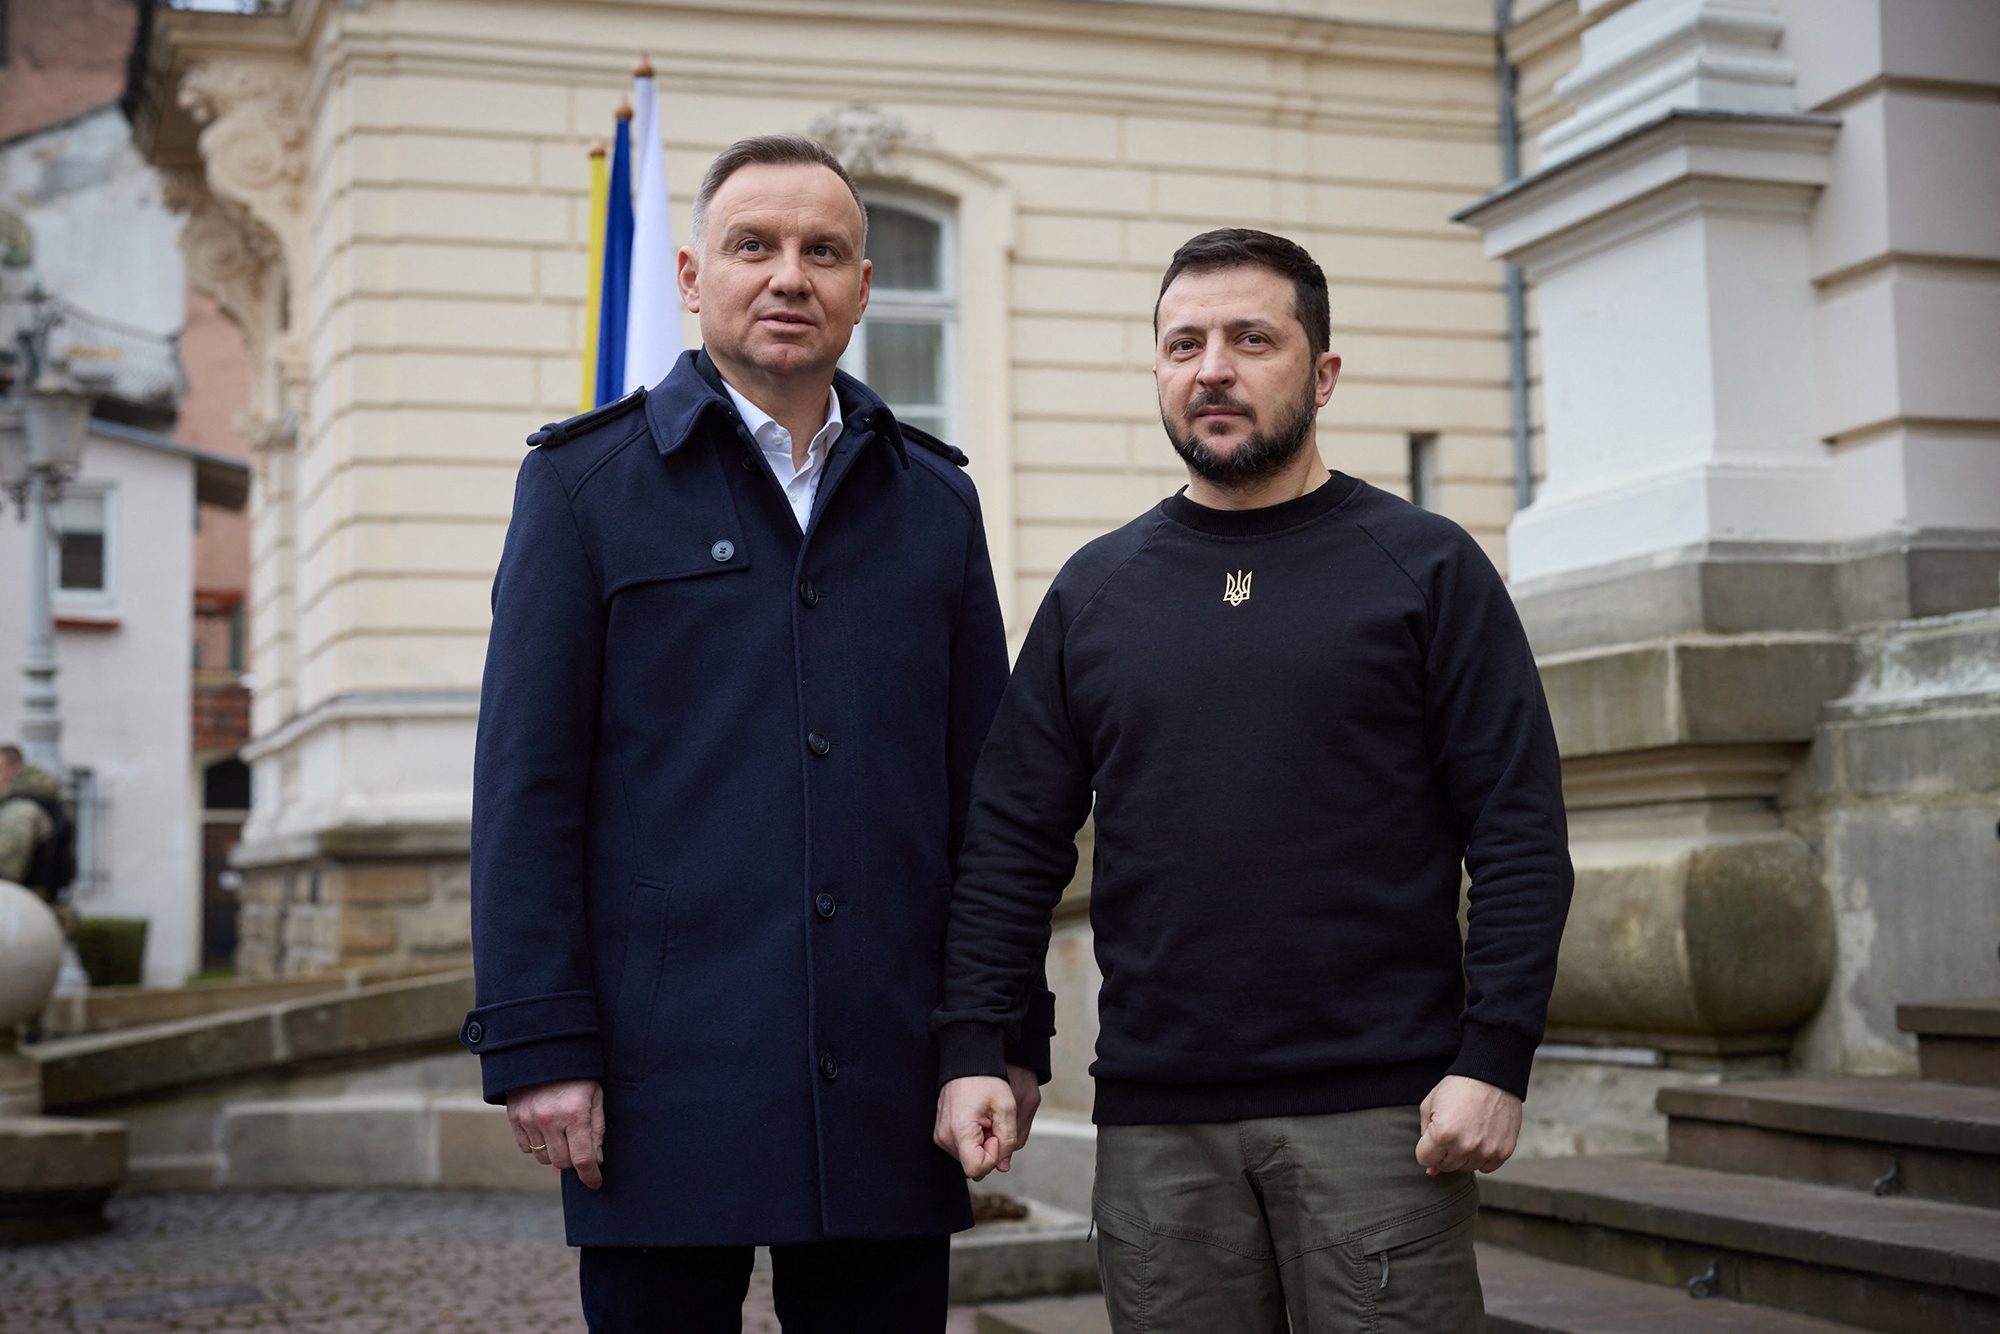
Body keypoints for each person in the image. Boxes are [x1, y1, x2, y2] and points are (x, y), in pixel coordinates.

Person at [461, 135, 1051, 1334]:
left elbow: (987, 802)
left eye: (822, 250)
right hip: (660, 1073)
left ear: (862, 287)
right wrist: (540, 1042)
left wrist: (993, 1032)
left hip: (892, 1072)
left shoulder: (934, 500)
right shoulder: (584, 487)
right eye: (754, 246)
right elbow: (527, 788)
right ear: (691, 275)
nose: (790, 275)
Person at [932, 229, 1573, 1332]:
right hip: (1156, 1126)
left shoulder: (1423, 567)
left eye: (1250, 338)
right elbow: (1008, 838)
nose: (1211, 366)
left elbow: (1515, 829)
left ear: (1320, 372)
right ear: (1158, 371)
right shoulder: (1096, 590)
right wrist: (979, 1044)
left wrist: (1495, 1055)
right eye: (1183, 342)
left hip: (1381, 1116)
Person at [0, 743, 71, 910]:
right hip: (36, 905)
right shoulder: (36, 801)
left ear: (13, 768)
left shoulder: (20, 810)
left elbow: (6, 869)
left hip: (23, 907)